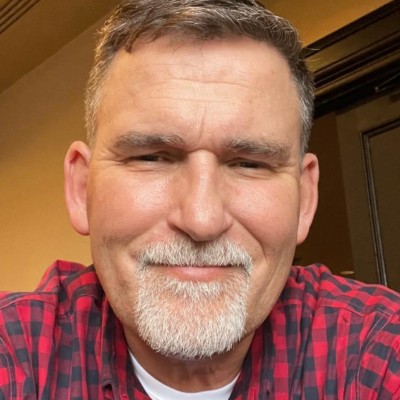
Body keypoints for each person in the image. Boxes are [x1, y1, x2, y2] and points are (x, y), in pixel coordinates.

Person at [1, 0, 400, 398]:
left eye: (249, 164)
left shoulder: (375, 350)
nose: (201, 219)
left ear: (306, 199)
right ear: (81, 189)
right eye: (152, 157)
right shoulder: (18, 353)